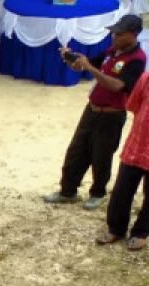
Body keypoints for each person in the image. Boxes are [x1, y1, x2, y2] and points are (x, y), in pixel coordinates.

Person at [44, 15, 146, 210]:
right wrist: (72, 59)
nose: (114, 36)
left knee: (102, 155)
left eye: (119, 33)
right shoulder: (112, 51)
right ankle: (68, 191)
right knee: (76, 150)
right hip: (92, 109)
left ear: (133, 35)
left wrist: (90, 68)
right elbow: (88, 64)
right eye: (113, 32)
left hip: (112, 115)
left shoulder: (137, 59)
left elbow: (118, 86)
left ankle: (98, 193)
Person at [99, 72, 149, 249]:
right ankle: (116, 229)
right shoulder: (146, 78)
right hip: (138, 146)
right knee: (122, 189)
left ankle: (141, 231)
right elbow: (134, 105)